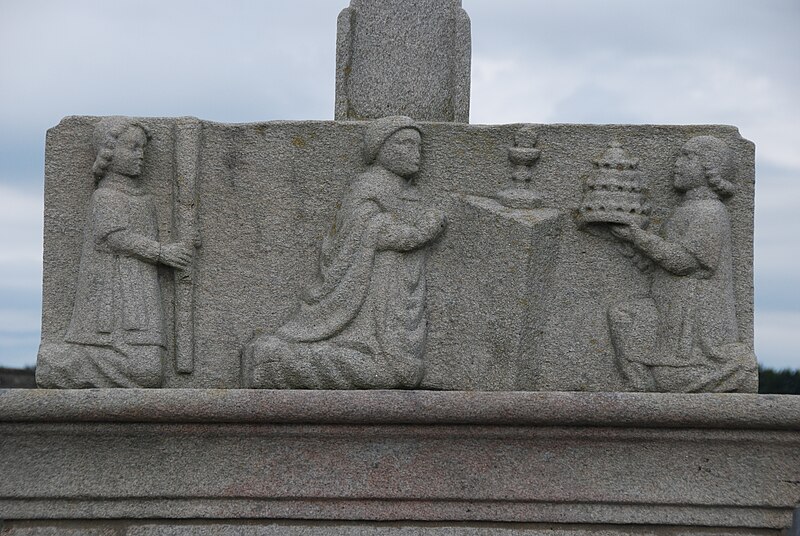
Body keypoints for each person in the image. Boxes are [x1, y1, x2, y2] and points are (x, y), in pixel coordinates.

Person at [243, 116, 446, 389]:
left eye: (418, 146)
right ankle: (272, 362)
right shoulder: (368, 187)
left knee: (403, 372)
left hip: (396, 300)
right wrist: (425, 229)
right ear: (381, 149)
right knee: (397, 373)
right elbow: (375, 231)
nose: (415, 153)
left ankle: (278, 360)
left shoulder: (407, 193)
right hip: (365, 302)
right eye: (404, 144)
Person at [37, 117, 192, 388]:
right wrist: (161, 253)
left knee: (151, 370)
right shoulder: (105, 196)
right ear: (109, 151)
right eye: (132, 148)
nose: (140, 155)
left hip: (140, 287)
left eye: (142, 148)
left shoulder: (142, 198)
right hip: (112, 292)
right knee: (147, 372)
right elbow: (113, 237)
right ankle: (56, 363)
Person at [607, 135, 757, 392]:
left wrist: (636, 236)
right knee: (623, 315)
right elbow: (660, 264)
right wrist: (627, 240)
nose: (677, 163)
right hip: (667, 302)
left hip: (692, 312)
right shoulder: (687, 209)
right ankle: (640, 387)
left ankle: (722, 372)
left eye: (687, 157)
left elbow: (683, 262)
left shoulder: (710, 212)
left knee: (673, 378)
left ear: (710, 168)